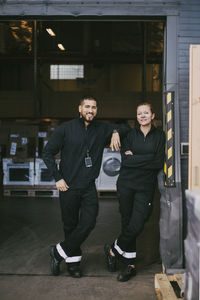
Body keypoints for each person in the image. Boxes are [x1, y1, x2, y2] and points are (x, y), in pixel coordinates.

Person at [43, 96, 129, 278]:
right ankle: (73, 264)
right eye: (87, 107)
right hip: (68, 186)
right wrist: (57, 178)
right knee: (70, 225)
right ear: (80, 109)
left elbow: (126, 128)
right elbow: (47, 153)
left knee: (89, 222)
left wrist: (115, 131)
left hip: (88, 186)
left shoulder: (102, 128)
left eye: (94, 107)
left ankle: (58, 252)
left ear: (97, 110)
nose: (91, 110)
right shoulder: (65, 129)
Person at [104, 102, 165, 282]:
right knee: (127, 222)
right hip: (126, 185)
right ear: (136, 117)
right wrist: (146, 158)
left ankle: (112, 250)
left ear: (153, 116)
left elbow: (158, 162)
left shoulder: (160, 136)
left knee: (138, 223)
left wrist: (136, 158)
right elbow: (126, 161)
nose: (143, 116)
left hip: (145, 186)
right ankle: (129, 266)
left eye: (146, 113)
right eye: (139, 113)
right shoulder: (129, 134)